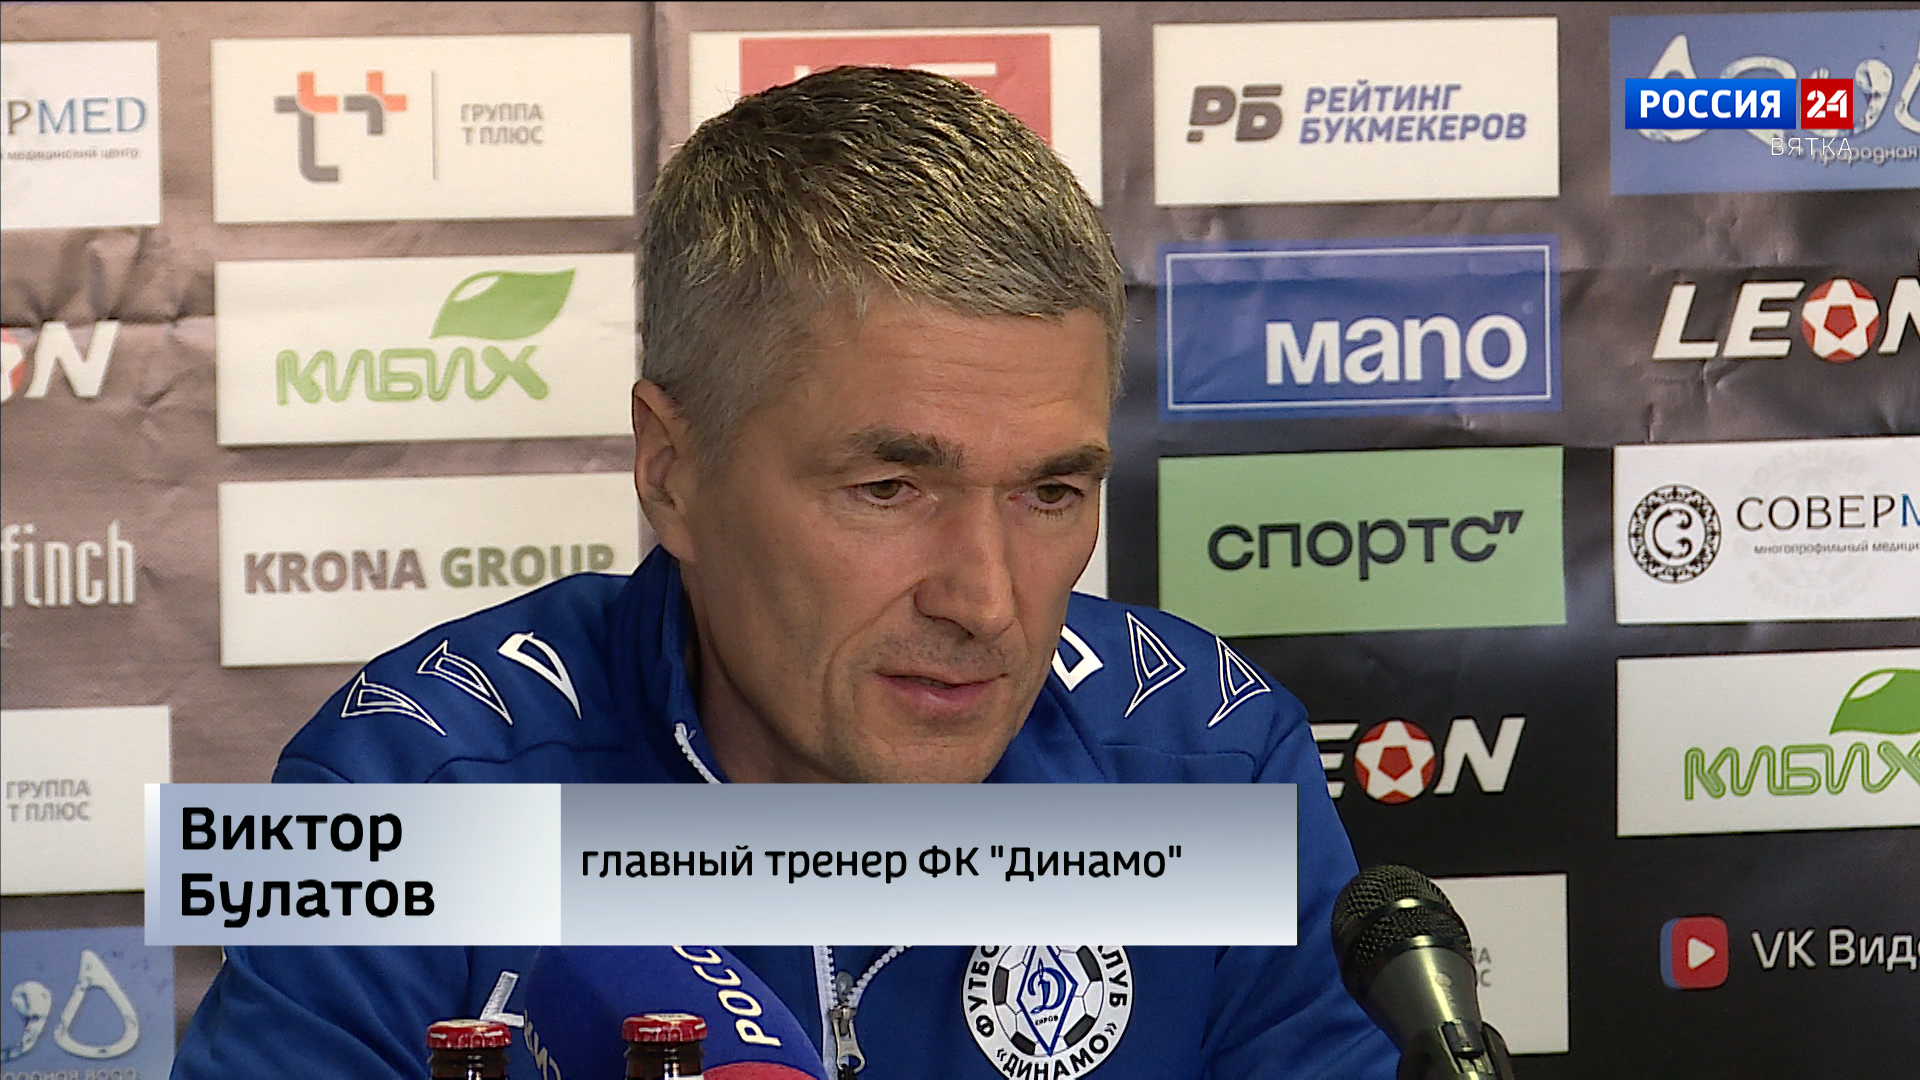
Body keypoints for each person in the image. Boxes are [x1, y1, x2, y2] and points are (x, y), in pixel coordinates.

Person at [172, 66, 1397, 1079]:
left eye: (1050, 494)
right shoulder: (402, 782)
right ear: (671, 470)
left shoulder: (1211, 758)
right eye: (889, 488)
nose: (986, 602)